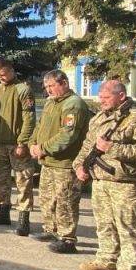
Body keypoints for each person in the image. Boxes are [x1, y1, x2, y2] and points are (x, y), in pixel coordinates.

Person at [74, 79, 136, 270]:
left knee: (127, 227)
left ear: (121, 95)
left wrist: (113, 148)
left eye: (105, 98)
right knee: (104, 224)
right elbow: (88, 145)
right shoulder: (100, 118)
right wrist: (79, 165)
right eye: (100, 97)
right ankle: (106, 260)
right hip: (100, 180)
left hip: (126, 183)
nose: (101, 101)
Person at [28, 70, 90, 246]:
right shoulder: (51, 103)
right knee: (47, 199)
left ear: (64, 83)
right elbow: (39, 126)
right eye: (46, 86)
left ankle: (67, 237)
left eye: (51, 86)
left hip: (65, 163)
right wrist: (32, 144)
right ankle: (50, 230)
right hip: (48, 162)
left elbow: (68, 135)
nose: (48, 90)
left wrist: (44, 148)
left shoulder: (73, 104)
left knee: (66, 201)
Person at [0, 58, 36, 230]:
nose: (1, 77)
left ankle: (23, 218)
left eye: (4, 74)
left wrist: (22, 143)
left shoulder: (23, 90)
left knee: (23, 181)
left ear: (12, 71)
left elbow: (29, 119)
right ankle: (3, 212)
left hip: (17, 145)